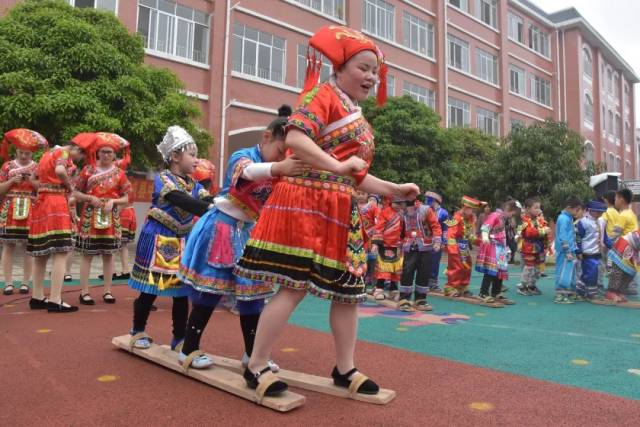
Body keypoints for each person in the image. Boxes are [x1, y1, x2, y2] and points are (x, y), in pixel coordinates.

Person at [234, 25, 419, 397]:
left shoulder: (358, 116)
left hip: (339, 208)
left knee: (348, 294)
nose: (370, 77)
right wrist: (337, 168)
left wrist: (393, 190)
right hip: (304, 203)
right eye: (364, 68)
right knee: (292, 288)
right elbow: (297, 139)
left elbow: (356, 175)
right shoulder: (321, 95)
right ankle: (255, 365)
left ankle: (345, 367)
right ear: (340, 66)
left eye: (375, 72)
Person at [177, 105, 306, 370]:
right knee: (208, 291)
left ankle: (252, 354)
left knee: (253, 296)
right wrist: (279, 166)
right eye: (282, 151)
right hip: (220, 229)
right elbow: (248, 173)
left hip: (249, 234)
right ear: (267, 137)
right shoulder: (243, 156)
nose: (283, 159)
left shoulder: (280, 172)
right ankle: (188, 349)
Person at [127, 126, 213, 351]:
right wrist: (214, 208)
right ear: (175, 156)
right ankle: (138, 330)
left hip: (180, 241)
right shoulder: (162, 179)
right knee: (150, 289)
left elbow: (206, 198)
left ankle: (179, 338)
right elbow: (181, 200)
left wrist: (225, 203)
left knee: (181, 292)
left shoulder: (194, 184)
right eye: (192, 155)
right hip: (158, 238)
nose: (197, 160)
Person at [27, 134, 92, 312]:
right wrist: (69, 187)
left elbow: (32, 178)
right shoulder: (63, 154)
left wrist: (45, 188)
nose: (79, 160)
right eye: (81, 156)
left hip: (42, 202)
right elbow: (60, 172)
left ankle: (37, 296)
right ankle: (55, 299)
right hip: (56, 203)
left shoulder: (47, 154)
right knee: (61, 252)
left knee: (41, 254)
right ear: (77, 149)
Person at [74, 133, 132, 305]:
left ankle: (107, 290)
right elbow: (76, 192)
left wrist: (113, 201)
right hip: (90, 215)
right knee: (87, 255)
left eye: (110, 152)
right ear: (97, 153)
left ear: (115, 155)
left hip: (110, 216)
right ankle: (84, 292)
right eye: (103, 151)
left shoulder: (120, 174)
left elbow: (127, 197)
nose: (106, 155)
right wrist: (89, 198)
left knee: (109, 255)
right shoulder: (88, 170)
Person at [0, 129, 47, 295]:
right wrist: (12, 181)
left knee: (29, 246)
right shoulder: (7, 166)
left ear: (32, 153)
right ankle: (8, 282)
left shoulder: (38, 167)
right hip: (10, 207)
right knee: (8, 245)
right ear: (16, 151)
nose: (24, 156)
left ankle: (26, 282)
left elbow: (43, 188)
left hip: (31, 207)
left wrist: (31, 181)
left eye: (27, 153)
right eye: (21, 152)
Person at [397, 196, 441, 311]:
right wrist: (398, 244)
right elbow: (400, 230)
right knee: (407, 271)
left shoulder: (426, 210)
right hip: (409, 246)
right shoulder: (402, 212)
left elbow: (435, 225)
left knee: (424, 272)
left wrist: (437, 241)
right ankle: (404, 299)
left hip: (425, 246)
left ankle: (420, 299)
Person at [475, 200, 518, 304]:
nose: (512, 216)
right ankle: (483, 293)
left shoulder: (503, 218)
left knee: (500, 269)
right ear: (508, 209)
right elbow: (486, 226)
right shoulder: (495, 215)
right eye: (512, 213)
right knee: (491, 269)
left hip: (501, 247)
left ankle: (496, 292)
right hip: (492, 245)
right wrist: (485, 236)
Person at [444, 196, 480, 297]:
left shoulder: (470, 219)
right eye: (470, 209)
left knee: (467, 265)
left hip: (464, 246)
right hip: (455, 245)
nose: (472, 211)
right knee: (456, 266)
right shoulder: (456, 217)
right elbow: (451, 233)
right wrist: (452, 248)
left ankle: (463, 286)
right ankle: (450, 287)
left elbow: (469, 235)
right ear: (464, 207)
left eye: (473, 209)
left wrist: (480, 241)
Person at [371, 197, 405, 301]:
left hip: (397, 245)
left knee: (396, 269)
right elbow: (379, 227)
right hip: (385, 244)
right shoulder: (385, 212)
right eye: (397, 203)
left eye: (401, 204)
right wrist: (376, 243)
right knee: (383, 268)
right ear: (391, 202)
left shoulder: (402, 214)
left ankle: (393, 290)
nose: (399, 206)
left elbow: (404, 229)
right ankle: (379, 289)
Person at [575, 200, 607, 301]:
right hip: (587, 252)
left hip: (597, 252)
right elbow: (578, 237)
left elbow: (604, 236)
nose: (599, 214)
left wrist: (611, 244)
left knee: (589, 273)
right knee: (591, 273)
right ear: (590, 210)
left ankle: (580, 291)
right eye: (597, 211)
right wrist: (579, 251)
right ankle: (591, 293)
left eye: (601, 212)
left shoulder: (602, 221)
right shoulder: (583, 222)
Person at [517, 198, 550, 296]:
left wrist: (546, 235)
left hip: (539, 247)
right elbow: (528, 233)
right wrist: (543, 231)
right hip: (529, 247)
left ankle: (531, 285)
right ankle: (523, 286)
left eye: (539, 208)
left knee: (537, 268)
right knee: (529, 268)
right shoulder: (524, 220)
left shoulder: (539, 220)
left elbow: (545, 229)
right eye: (535, 208)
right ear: (527, 209)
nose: (538, 210)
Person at [553, 197, 583, 304]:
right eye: (577, 209)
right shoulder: (563, 218)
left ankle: (569, 292)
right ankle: (560, 295)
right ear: (569, 208)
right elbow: (562, 236)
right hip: (564, 251)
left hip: (570, 249)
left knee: (570, 272)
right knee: (563, 271)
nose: (578, 212)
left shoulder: (568, 218)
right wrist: (567, 250)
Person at [615, 188, 638, 296]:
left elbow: (616, 233)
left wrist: (607, 243)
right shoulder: (631, 213)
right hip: (634, 245)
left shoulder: (622, 215)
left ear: (621, 200)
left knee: (620, 267)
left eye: (616, 198)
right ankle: (631, 287)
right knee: (631, 265)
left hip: (625, 245)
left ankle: (622, 288)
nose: (615, 200)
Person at [606, 229, 640, 302]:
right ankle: (611, 292)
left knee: (630, 273)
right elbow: (635, 239)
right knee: (617, 270)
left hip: (633, 251)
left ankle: (620, 292)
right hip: (624, 246)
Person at [424, 191, 448, 292]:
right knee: (424, 262)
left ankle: (433, 283)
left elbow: (446, 228)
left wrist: (444, 241)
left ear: (435, 201)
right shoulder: (425, 210)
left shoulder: (444, 213)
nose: (427, 202)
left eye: (429, 200)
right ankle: (423, 282)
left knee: (434, 262)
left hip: (437, 241)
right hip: (425, 240)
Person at [357, 192, 378, 291]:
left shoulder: (372, 206)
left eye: (363, 193)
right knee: (358, 259)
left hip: (370, 237)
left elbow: (378, 221)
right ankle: (358, 280)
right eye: (358, 193)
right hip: (356, 236)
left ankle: (369, 280)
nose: (360, 195)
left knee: (371, 260)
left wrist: (375, 236)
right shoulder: (352, 204)